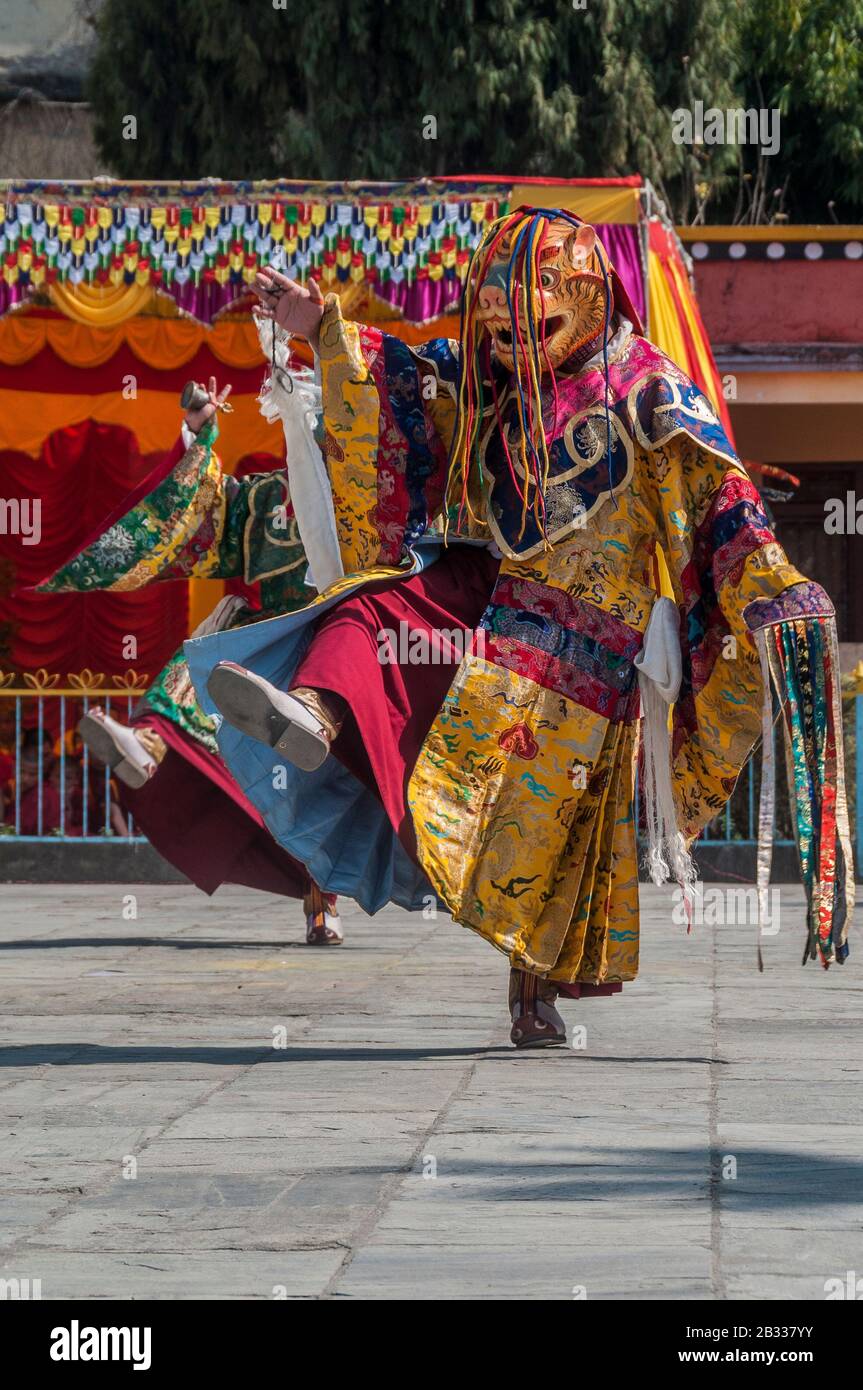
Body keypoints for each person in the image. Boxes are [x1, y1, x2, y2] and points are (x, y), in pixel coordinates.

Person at [180, 207, 853, 1047]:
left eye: (525, 320)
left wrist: (774, 587)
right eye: (493, 323)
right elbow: (404, 389)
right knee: (369, 607)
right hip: (491, 604)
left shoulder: (649, 390)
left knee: (547, 841)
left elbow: (724, 505)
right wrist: (317, 325)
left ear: (586, 292)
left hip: (594, 648)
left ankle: (530, 999)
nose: (506, 340)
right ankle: (315, 711)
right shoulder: (490, 379)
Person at [34, 378, 342, 945]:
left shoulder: (369, 499)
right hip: (264, 635)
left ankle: (322, 900)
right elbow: (205, 511)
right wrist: (202, 436)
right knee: (200, 660)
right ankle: (150, 745)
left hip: (334, 642)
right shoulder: (262, 500)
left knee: (316, 775)